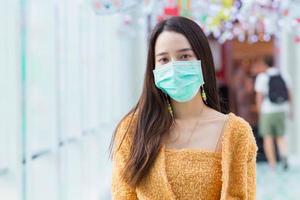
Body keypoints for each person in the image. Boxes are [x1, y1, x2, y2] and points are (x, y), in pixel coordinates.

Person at [110, 16, 258, 200]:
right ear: (153, 69)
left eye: (184, 56)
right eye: (164, 59)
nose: (174, 67)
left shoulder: (236, 133)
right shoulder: (133, 130)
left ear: (202, 61)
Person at [255, 55, 292, 170]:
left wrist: (259, 113)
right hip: (282, 110)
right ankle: (284, 156)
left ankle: (272, 164)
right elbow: (289, 94)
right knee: (280, 136)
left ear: (264, 64)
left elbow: (259, 97)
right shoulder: (284, 75)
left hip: (268, 111)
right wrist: (291, 109)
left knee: (268, 137)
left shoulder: (262, 77)